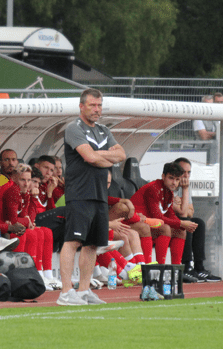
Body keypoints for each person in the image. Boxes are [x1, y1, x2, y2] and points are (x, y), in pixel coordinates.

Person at [57, 88, 126, 306]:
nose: (97, 109)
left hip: (99, 195)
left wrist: (100, 156)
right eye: (92, 105)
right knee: (72, 241)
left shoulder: (104, 130)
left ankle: (84, 291)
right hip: (80, 193)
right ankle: (66, 291)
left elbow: (121, 155)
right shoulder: (73, 128)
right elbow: (88, 156)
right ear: (81, 106)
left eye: (99, 105)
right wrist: (103, 157)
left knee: (92, 245)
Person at [130, 162, 198, 266]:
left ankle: (176, 270)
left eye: (177, 179)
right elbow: (157, 217)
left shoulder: (169, 192)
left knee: (181, 231)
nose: (174, 182)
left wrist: (181, 224)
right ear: (163, 176)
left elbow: (170, 214)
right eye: (171, 178)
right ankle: (160, 267)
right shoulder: (153, 188)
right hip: (133, 222)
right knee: (165, 228)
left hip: (148, 223)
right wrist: (180, 223)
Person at [173, 157, 219, 282]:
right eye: (183, 172)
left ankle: (199, 267)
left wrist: (182, 204)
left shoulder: (186, 186)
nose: (186, 175)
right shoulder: (171, 185)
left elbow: (191, 211)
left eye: (189, 172)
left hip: (180, 219)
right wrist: (183, 207)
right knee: (185, 222)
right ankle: (187, 266)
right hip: (168, 221)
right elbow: (181, 212)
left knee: (199, 223)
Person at [192, 93, 223, 163]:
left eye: (211, 104)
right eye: (207, 104)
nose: (209, 107)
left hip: (215, 153)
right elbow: (204, 136)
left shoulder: (217, 117)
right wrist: (217, 134)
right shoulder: (198, 118)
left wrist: (213, 134)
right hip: (201, 154)